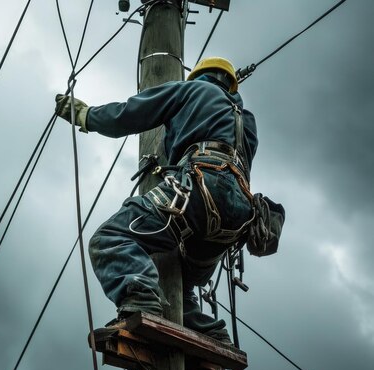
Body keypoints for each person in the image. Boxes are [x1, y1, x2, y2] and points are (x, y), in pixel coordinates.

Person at [54, 57, 258, 343]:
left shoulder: (193, 91)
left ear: (200, 76)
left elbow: (130, 114)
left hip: (202, 186)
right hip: (238, 214)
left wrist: (85, 116)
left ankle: (140, 302)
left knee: (111, 238)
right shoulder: (247, 120)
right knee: (182, 281)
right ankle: (210, 331)